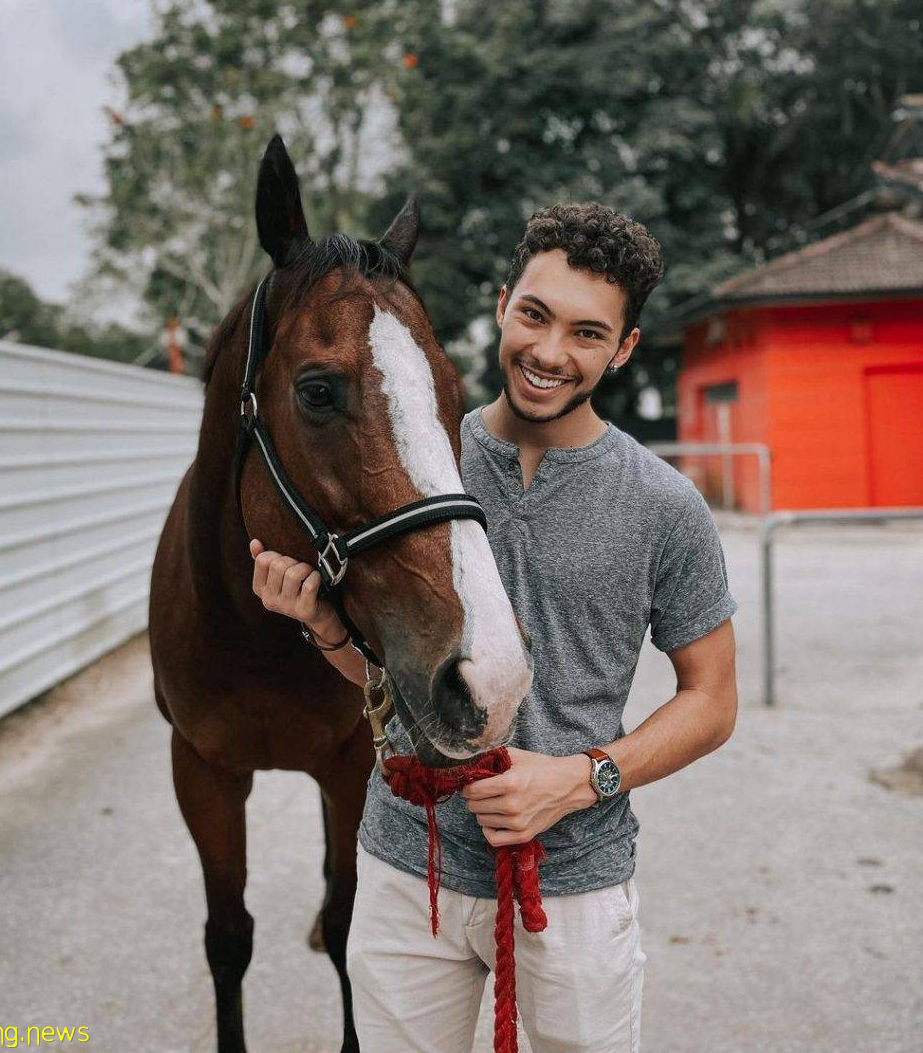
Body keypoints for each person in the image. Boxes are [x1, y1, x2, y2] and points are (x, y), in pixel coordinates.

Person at [249, 202, 738, 1053]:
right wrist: (324, 625)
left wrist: (586, 779)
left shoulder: (664, 506)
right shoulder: (416, 457)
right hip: (411, 869)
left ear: (622, 349)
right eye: (535, 315)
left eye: (588, 333)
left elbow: (713, 701)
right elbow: (396, 684)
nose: (550, 353)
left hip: (574, 881)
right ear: (504, 303)